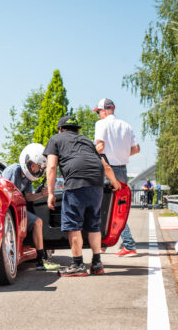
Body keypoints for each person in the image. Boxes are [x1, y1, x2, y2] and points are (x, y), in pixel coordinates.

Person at [44, 116, 121, 277]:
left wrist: (50, 193)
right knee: (93, 224)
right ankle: (97, 263)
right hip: (96, 184)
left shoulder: (56, 139)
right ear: (76, 130)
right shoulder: (86, 141)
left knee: (73, 225)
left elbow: (51, 166)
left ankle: (78, 264)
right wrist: (115, 182)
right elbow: (105, 165)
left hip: (76, 183)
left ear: (60, 129)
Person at [2, 143, 61, 271]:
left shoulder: (27, 178)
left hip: (19, 211)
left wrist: (41, 194)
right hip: (10, 213)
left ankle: (40, 259)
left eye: (39, 167)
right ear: (27, 162)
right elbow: (7, 197)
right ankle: (41, 259)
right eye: (36, 166)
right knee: (37, 221)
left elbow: (28, 197)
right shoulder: (13, 171)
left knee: (37, 222)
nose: (37, 170)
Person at [93, 98, 140, 257]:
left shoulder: (101, 124)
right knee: (119, 207)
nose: (98, 115)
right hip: (122, 170)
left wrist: (89, 155)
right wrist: (122, 155)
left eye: (99, 112)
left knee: (104, 207)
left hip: (107, 169)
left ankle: (127, 244)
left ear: (104, 111)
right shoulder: (126, 125)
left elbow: (100, 147)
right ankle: (105, 243)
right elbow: (136, 149)